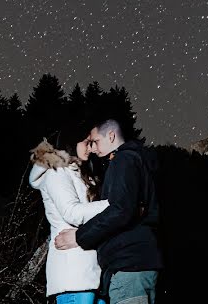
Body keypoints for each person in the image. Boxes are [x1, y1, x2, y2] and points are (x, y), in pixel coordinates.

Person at [54, 119, 163, 304]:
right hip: (141, 262)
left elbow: (121, 209)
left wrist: (79, 236)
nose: (93, 149)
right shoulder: (136, 160)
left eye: (95, 141)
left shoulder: (123, 160)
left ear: (111, 136)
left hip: (128, 264)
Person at [29, 126, 109, 304]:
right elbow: (71, 213)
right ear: (72, 141)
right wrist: (113, 204)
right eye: (86, 142)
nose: (91, 148)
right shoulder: (56, 173)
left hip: (91, 275)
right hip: (73, 275)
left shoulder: (80, 174)